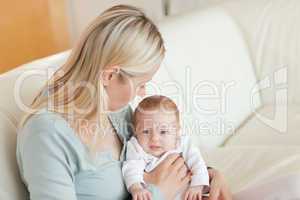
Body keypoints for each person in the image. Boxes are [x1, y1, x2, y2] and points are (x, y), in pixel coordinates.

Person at [16, 4, 233, 200]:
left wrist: (208, 176)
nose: (142, 93)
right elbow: (157, 183)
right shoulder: (47, 134)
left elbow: (154, 157)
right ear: (109, 76)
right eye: (140, 84)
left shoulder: (115, 112)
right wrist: (158, 193)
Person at [122, 95, 209, 200]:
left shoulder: (181, 142)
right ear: (136, 132)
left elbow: (197, 162)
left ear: (176, 132)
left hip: (188, 194)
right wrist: (136, 187)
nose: (154, 138)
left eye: (163, 132)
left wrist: (197, 185)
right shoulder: (136, 146)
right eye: (145, 131)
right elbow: (131, 167)